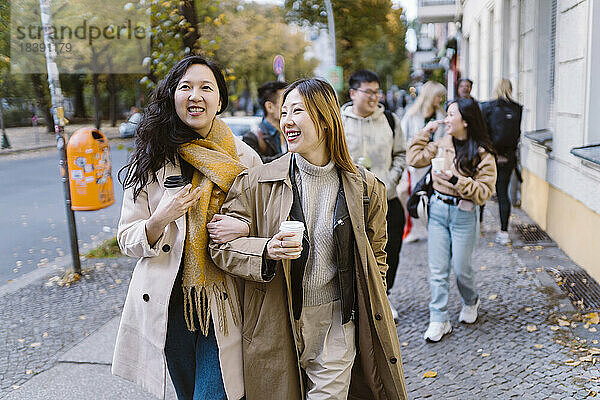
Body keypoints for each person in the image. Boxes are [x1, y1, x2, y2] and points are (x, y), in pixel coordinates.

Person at [209, 78, 408, 399]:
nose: (287, 120)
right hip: (276, 323)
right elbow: (220, 246)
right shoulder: (259, 181)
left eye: (297, 111)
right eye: (284, 111)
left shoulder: (367, 189)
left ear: (326, 120)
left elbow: (377, 256)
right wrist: (265, 249)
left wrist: (369, 300)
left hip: (336, 327)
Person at [112, 55, 261, 400]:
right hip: (169, 303)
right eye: (186, 87)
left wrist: (243, 228)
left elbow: (264, 224)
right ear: (173, 96)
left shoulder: (244, 158)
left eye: (205, 87)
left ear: (220, 100)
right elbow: (127, 237)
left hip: (224, 302)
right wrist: (160, 218)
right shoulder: (153, 156)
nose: (195, 96)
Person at [407, 98, 497, 342]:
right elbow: (414, 159)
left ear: (466, 121)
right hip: (437, 210)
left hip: (464, 214)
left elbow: (484, 192)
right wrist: (425, 133)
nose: (446, 119)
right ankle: (439, 319)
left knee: (461, 268)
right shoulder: (441, 144)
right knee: (437, 270)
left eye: (451, 115)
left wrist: (456, 180)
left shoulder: (482, 153)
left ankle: (471, 300)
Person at [340, 70, 406, 322]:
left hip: (387, 198)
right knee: (352, 252)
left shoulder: (389, 119)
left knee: (390, 250)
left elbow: (401, 153)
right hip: (351, 201)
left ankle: (384, 297)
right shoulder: (339, 121)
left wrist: (391, 179)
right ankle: (356, 301)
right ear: (353, 93)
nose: (374, 97)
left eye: (377, 92)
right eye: (369, 92)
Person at [399, 81, 446, 242]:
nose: (440, 99)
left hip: (435, 162)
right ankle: (412, 229)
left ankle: (429, 228)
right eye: (438, 96)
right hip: (416, 163)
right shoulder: (411, 115)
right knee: (413, 194)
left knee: (431, 195)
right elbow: (403, 139)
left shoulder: (441, 115)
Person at [480, 79, 523, 245]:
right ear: (511, 89)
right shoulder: (517, 108)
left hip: (490, 156)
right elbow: (517, 135)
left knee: (483, 190)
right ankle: (504, 232)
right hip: (508, 157)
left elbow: (483, 133)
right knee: (503, 194)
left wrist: (491, 153)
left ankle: (480, 225)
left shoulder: (488, 107)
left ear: (495, 88)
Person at [241, 81, 288, 163]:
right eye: (285, 101)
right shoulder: (251, 138)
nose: (289, 106)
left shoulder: (291, 132)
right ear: (269, 107)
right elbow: (257, 165)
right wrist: (292, 156)